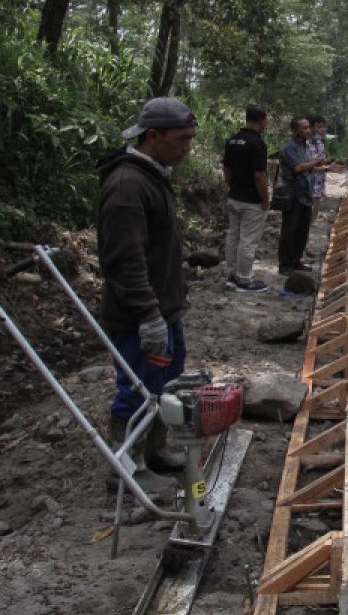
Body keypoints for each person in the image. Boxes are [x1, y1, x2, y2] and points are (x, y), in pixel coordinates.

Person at [97, 97, 198, 475]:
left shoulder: (152, 176)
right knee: (138, 392)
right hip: (141, 316)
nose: (187, 148)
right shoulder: (127, 185)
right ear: (153, 136)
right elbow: (124, 261)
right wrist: (148, 316)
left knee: (165, 388)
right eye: (181, 139)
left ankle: (153, 454)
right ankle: (126, 475)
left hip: (165, 308)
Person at [221, 105, 270, 292]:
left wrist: (232, 186)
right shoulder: (257, 144)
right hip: (252, 201)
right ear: (262, 120)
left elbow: (226, 169)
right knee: (248, 240)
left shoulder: (232, 140)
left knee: (233, 235)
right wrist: (265, 199)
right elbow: (259, 175)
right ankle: (244, 280)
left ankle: (232, 275)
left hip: (234, 196)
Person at [278, 117, 325, 274]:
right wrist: (315, 162)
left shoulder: (304, 145)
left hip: (305, 194)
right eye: (304, 128)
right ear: (295, 130)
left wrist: (325, 168)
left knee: (302, 231)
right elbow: (298, 168)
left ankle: (296, 261)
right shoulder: (289, 148)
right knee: (289, 231)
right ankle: (285, 265)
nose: (308, 131)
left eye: (308, 128)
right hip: (293, 195)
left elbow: (308, 168)